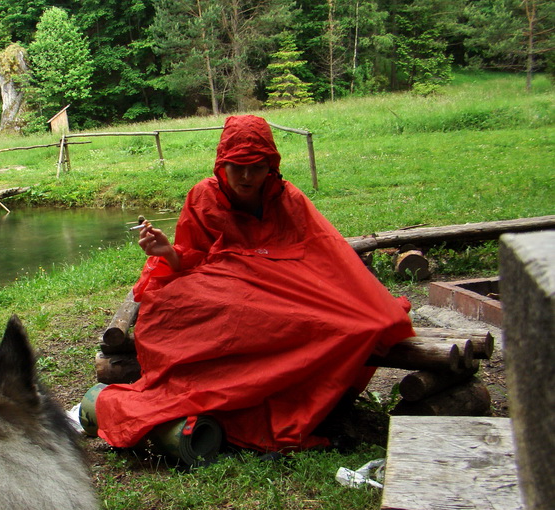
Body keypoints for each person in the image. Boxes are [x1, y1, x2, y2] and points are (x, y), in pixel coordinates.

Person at [92, 115, 415, 456]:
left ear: (271, 167)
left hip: (286, 293)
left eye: (256, 167)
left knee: (350, 323)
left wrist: (368, 304)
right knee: (181, 311)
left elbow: (327, 257)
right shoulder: (203, 196)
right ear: (222, 165)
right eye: (237, 166)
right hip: (225, 292)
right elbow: (192, 262)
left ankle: (296, 401)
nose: (246, 177)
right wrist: (168, 252)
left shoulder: (288, 199)